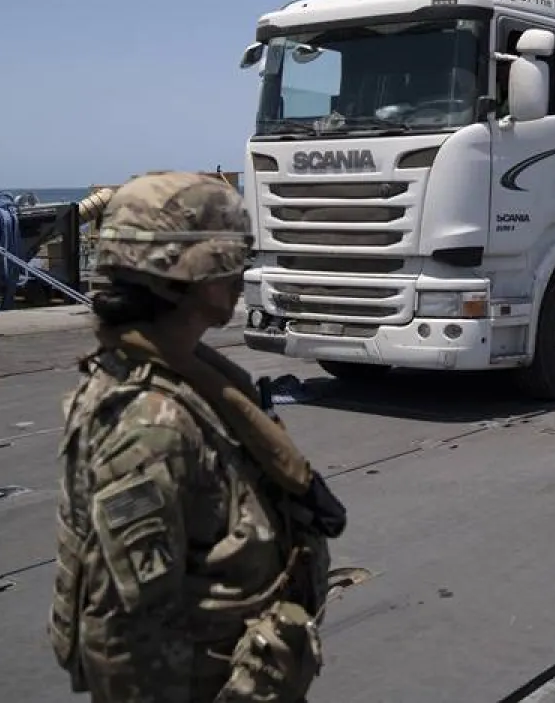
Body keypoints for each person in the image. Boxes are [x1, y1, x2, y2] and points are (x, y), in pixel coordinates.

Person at [49, 171, 347, 703]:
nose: (239, 272)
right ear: (177, 275)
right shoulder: (147, 423)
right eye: (226, 258)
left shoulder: (193, 379)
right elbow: (122, 635)